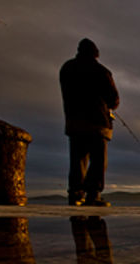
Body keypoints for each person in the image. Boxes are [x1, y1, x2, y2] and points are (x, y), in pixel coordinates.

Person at [59, 38, 119, 206]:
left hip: (74, 123)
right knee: (98, 161)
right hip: (98, 123)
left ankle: (76, 194)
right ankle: (93, 195)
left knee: (78, 160)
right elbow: (114, 100)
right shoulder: (101, 71)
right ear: (95, 54)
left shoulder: (67, 68)